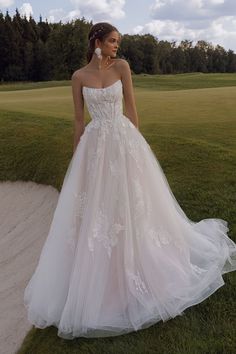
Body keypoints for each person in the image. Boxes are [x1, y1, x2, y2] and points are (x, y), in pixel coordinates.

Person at [24, 22, 236, 340]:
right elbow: (79, 120)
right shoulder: (78, 77)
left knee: (134, 202)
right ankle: (104, 275)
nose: (115, 46)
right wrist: (76, 159)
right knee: (99, 210)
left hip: (123, 141)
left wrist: (139, 146)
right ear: (96, 41)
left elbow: (132, 108)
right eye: (111, 41)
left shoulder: (122, 66)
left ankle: (143, 261)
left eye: (117, 42)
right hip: (94, 147)